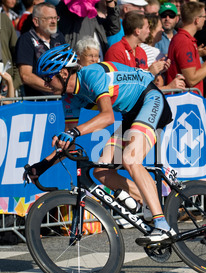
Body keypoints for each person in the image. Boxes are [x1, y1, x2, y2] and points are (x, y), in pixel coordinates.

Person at [25, 44, 176, 245]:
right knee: (100, 171)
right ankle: (149, 200)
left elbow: (107, 116)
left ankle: (163, 226)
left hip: (151, 99)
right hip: (131, 113)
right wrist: (41, 166)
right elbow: (69, 144)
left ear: (62, 73)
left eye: (47, 78)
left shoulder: (91, 75)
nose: (45, 84)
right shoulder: (69, 100)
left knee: (131, 159)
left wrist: (73, 132)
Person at [105, 10, 184, 90]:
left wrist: (157, 70)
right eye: (147, 28)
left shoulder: (141, 51)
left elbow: (146, 85)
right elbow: (120, 86)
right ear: (137, 31)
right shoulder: (116, 51)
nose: (149, 31)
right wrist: (150, 73)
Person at [167, 1, 206, 95]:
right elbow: (191, 80)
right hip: (185, 101)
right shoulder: (184, 41)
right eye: (204, 17)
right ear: (197, 20)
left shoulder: (183, 38)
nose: (205, 19)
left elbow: (193, 72)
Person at [15, 2, 65, 96]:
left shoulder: (59, 37)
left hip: (62, 100)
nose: (54, 21)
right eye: (49, 18)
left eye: (55, 18)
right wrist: (55, 88)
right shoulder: (26, 40)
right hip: (39, 104)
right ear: (36, 21)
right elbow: (26, 76)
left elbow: (67, 65)